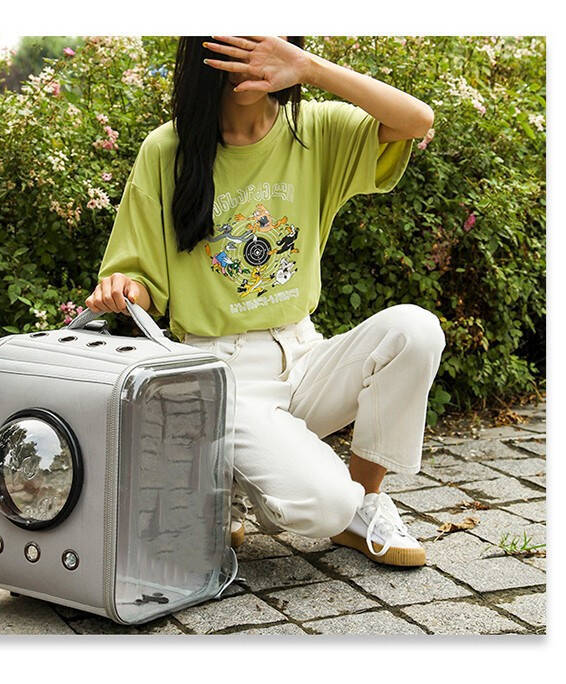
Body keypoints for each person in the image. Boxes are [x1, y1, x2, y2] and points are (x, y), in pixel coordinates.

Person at [85, 36, 445, 567]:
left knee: (415, 330)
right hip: (218, 372)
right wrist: (123, 288)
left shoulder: (313, 130)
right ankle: (220, 475)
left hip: (303, 354)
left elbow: (416, 120)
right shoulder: (168, 149)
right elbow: (138, 277)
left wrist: (308, 68)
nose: (251, 59)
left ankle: (365, 503)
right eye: (234, 41)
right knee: (326, 505)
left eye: (264, 41)